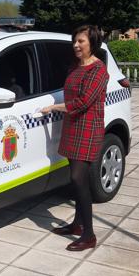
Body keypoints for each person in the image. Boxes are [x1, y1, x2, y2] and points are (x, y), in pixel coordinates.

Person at [40, 25, 109, 252]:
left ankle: (88, 235)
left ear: (92, 43)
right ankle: (77, 225)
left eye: (81, 41)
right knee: (77, 179)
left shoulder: (98, 70)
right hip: (72, 126)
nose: (76, 45)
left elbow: (82, 103)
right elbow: (71, 96)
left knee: (79, 178)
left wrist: (54, 107)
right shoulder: (75, 67)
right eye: (75, 41)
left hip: (88, 128)